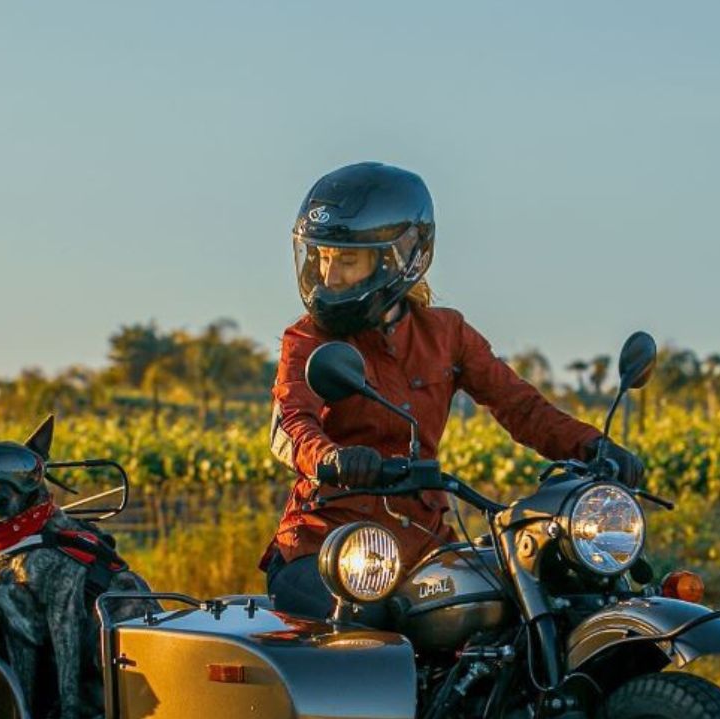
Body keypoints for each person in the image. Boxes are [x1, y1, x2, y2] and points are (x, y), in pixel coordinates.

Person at [260, 162, 644, 618]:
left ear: (396, 259)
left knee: (509, 608)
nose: (330, 276)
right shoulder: (307, 339)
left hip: (426, 542)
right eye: (322, 258)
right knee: (375, 627)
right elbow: (293, 421)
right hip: (330, 545)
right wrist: (331, 458)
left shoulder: (447, 334)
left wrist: (594, 446)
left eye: (346, 260)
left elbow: (519, 406)